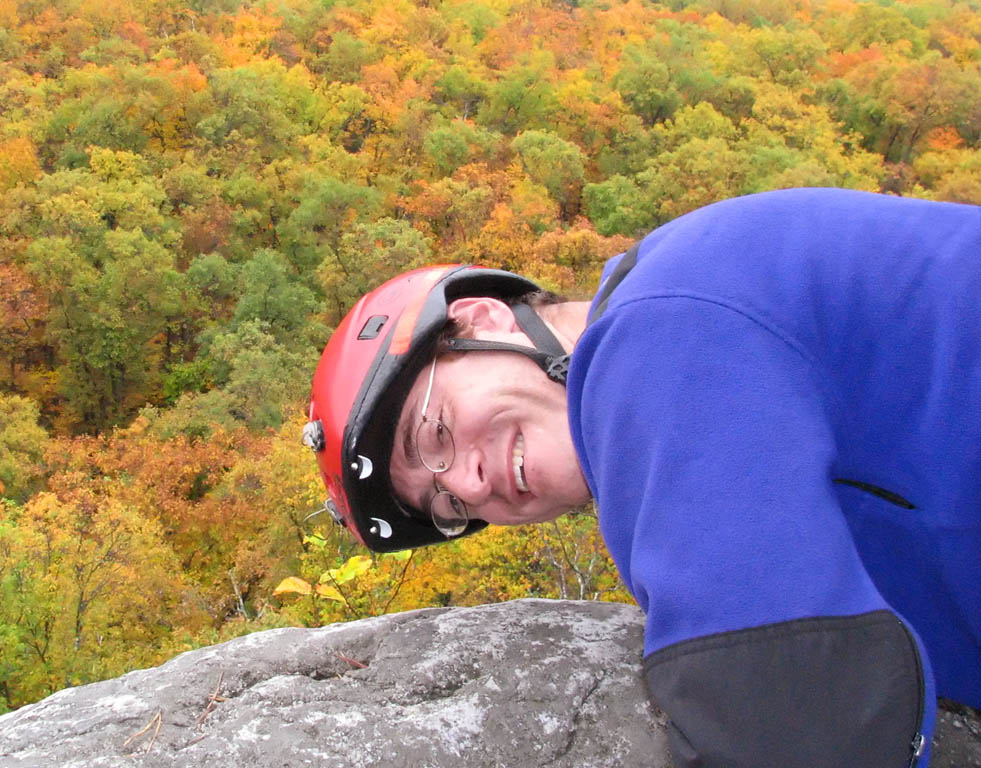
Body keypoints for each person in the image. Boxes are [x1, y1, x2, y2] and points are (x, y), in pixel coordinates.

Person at [303, 187, 981, 767]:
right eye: (447, 503)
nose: (472, 485)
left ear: (480, 319)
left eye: (435, 430)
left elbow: (794, 714)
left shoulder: (655, 329)